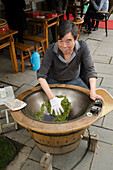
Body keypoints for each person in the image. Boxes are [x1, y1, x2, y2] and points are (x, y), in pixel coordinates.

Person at [37, 20, 103, 115]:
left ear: (76, 39)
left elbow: (90, 71)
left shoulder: (82, 47)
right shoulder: (51, 50)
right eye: (60, 41)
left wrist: (93, 92)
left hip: (74, 79)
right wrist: (52, 98)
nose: (64, 46)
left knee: (90, 104)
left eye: (68, 41)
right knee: (39, 103)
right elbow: (41, 76)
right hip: (53, 80)